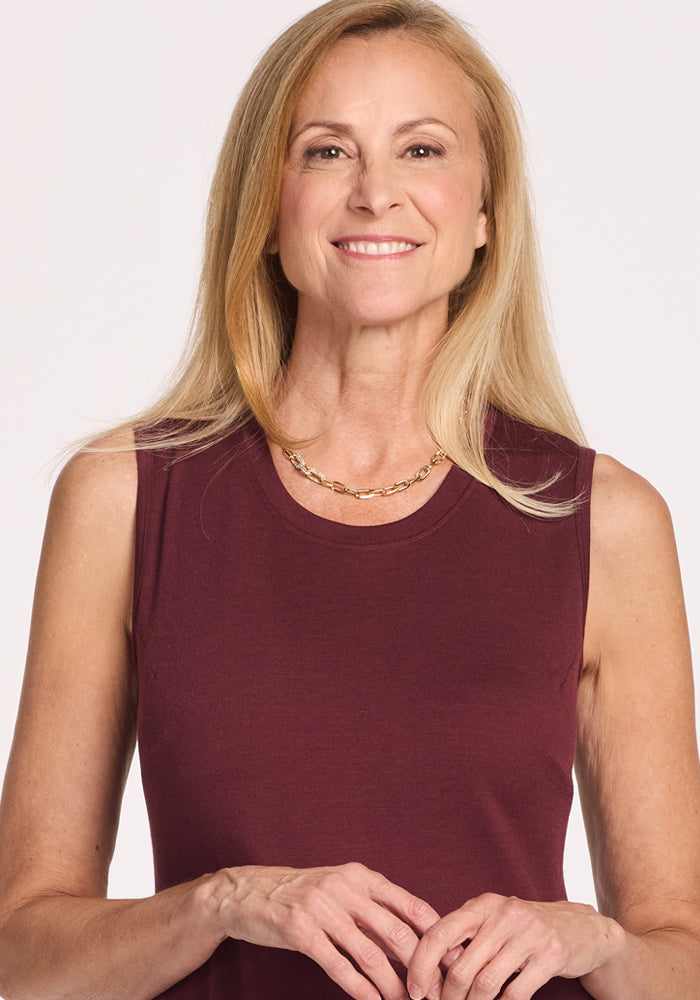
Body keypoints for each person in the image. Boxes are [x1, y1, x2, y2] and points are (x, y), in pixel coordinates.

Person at [0, 0, 699, 998]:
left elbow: (685, 956)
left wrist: (598, 941)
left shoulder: (605, 521)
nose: (377, 193)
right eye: (326, 153)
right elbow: (21, 956)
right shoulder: (123, 499)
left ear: (485, 213)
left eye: (421, 150)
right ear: (267, 209)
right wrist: (225, 899)